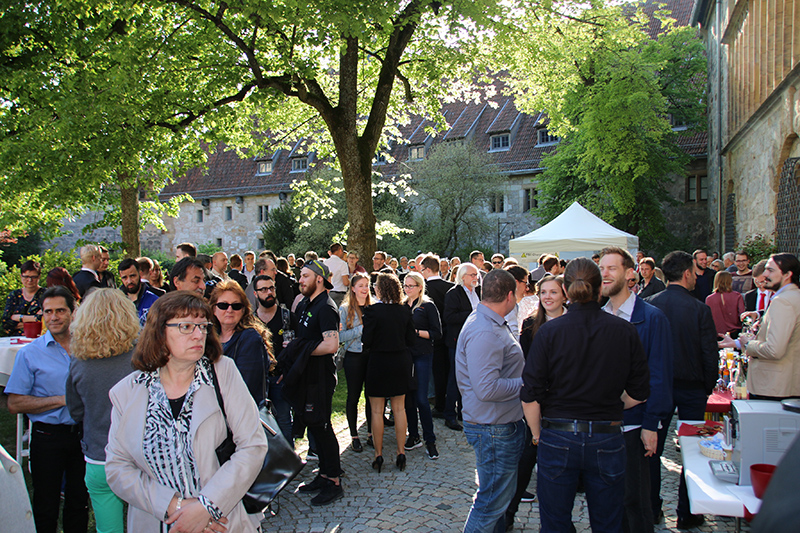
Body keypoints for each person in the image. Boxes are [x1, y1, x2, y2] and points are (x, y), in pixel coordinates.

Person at [105, 291, 267, 531]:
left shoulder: (222, 373)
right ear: (159, 332)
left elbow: (253, 445)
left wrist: (206, 507)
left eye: (203, 326)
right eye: (186, 326)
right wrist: (174, 507)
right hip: (158, 522)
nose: (198, 334)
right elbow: (118, 467)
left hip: (221, 523)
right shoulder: (127, 392)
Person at [521, 258, 650, 533]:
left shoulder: (549, 332)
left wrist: (537, 434)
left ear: (566, 291)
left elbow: (529, 392)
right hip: (606, 433)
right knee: (608, 524)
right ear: (599, 288)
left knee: (555, 524)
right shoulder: (623, 330)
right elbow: (640, 391)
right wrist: (615, 403)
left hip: (560, 433)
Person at [599, 247, 674, 533]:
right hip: (603, 427)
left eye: (612, 268)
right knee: (608, 502)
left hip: (634, 426)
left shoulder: (652, 318)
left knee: (636, 503)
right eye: (602, 269)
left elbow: (660, 375)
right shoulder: (598, 315)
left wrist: (651, 424)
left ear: (630, 274)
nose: (604, 274)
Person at [5, 286, 89, 533]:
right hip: (47, 437)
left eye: (60, 310)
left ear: (73, 311)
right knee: (46, 506)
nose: (53, 317)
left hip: (83, 436)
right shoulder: (30, 354)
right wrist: (63, 399)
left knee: (79, 504)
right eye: (48, 311)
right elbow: (14, 403)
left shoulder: (89, 349)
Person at [645, 251, 718, 528]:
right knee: (691, 452)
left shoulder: (650, 304)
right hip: (691, 388)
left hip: (659, 386)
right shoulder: (699, 309)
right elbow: (709, 354)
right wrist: (706, 387)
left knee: (651, 448)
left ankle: (651, 507)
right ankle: (688, 511)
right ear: (687, 273)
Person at [456, 269, 526, 533]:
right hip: (493, 428)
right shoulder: (485, 330)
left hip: (496, 425)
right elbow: (486, 389)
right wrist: (528, 383)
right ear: (509, 295)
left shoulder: (489, 321)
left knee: (495, 502)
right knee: (489, 504)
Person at [65, 289, 139, 533]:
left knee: (108, 528)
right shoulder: (141, 357)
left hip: (99, 455)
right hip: (139, 455)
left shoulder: (79, 361)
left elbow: (75, 411)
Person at [508, 274, 567, 529]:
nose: (548, 297)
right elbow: (526, 364)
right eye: (543, 292)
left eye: (553, 292)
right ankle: (508, 513)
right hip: (536, 399)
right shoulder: (532, 324)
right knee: (526, 456)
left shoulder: (574, 322)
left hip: (565, 400)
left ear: (565, 294)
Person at [287, 259, 344, 505]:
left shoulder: (326, 307)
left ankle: (334, 481)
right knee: (313, 424)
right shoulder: (306, 304)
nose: (300, 280)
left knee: (322, 426)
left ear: (319, 279)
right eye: (300, 276)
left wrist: (302, 350)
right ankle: (322, 473)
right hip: (306, 376)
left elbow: (331, 344)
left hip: (320, 377)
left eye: (305, 276)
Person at [721, 253, 800, 400]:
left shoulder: (783, 301)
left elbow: (774, 349)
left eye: (770, 270)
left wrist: (748, 344)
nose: (764, 274)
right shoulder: (791, 297)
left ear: (787, 274)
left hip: (774, 387)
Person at [361, 272, 415, 473]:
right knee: (399, 409)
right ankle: (401, 452)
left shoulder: (373, 312)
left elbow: (367, 341)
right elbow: (411, 340)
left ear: (380, 289)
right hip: (400, 360)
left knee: (377, 410)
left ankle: (379, 454)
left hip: (379, 361)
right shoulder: (404, 311)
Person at [209, 279, 274, 406]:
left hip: (240, 414)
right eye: (223, 305)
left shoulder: (250, 339)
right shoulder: (208, 337)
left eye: (236, 306)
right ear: (213, 309)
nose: (229, 310)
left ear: (243, 310)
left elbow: (245, 386)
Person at [403, 272, 442, 459]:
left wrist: (416, 332)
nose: (407, 289)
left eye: (411, 286)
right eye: (405, 285)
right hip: (405, 356)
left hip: (423, 355)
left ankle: (430, 440)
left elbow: (437, 333)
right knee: (408, 398)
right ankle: (413, 435)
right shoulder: (402, 306)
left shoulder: (428, 306)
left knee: (421, 398)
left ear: (420, 287)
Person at [252, 274, 296, 442]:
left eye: (271, 288)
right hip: (258, 380)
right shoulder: (250, 321)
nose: (269, 292)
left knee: (284, 420)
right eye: (263, 289)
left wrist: (289, 371)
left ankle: (289, 462)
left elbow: (300, 347)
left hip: (281, 378)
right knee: (258, 423)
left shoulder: (288, 317)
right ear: (256, 294)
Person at [442, 263, 481, 431]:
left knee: (469, 378)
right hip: (457, 341)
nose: (475, 278)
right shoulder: (454, 294)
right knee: (455, 378)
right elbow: (449, 317)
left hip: (475, 341)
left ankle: (463, 411)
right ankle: (449, 414)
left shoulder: (478, 292)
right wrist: (474, 313)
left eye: (476, 275)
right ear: (463, 276)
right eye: (472, 275)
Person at [339, 272, 373, 452]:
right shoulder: (345, 309)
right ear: (353, 288)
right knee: (353, 396)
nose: (365, 289)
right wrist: (360, 329)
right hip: (353, 356)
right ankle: (354, 435)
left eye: (367, 285)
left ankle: (370, 433)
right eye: (361, 285)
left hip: (371, 356)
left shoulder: (374, 306)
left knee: (371, 396)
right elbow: (339, 336)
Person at [419, 254, 455, 419]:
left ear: (426, 269)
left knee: (438, 372)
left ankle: (440, 404)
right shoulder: (451, 286)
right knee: (450, 370)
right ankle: (450, 403)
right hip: (450, 332)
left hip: (431, 334)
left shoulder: (424, 289)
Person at [3, 259, 44, 335]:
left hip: (39, 339)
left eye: (33, 277)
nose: (29, 280)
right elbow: (6, 324)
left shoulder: (46, 295)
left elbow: (47, 319)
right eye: (26, 277)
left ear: (39, 277)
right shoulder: (14, 295)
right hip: (15, 341)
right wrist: (34, 319)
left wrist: (19, 317)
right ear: (21, 276)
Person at [118, 257, 160, 325]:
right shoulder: (116, 302)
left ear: (140, 274)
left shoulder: (154, 301)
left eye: (132, 276)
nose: (129, 281)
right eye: (124, 277)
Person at [706, 270, 745, 337]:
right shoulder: (737, 296)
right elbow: (742, 315)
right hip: (735, 332)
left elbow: (707, 318)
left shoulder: (709, 299)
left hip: (717, 334)